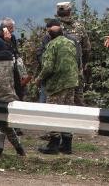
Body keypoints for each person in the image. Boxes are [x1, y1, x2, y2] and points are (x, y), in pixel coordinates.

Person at [35, 19, 79, 155]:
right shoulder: (71, 43)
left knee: (52, 113)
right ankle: (67, 145)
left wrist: (39, 79)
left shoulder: (52, 45)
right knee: (67, 113)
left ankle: (53, 144)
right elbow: (77, 59)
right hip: (71, 83)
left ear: (50, 34)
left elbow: (48, 67)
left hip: (57, 85)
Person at [55, 2, 91, 106]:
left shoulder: (54, 27)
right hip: (76, 69)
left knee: (59, 100)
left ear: (58, 13)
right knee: (78, 98)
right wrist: (83, 64)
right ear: (70, 11)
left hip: (59, 71)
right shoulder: (79, 26)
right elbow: (87, 48)